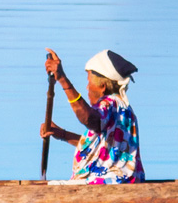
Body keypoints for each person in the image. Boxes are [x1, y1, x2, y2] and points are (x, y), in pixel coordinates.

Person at [41, 48, 144, 184]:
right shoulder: (124, 110)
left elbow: (88, 119)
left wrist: (63, 80)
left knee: (53, 188)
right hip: (124, 182)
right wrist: (62, 134)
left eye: (89, 82)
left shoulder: (108, 104)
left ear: (102, 86)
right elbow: (98, 149)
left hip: (108, 182)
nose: (87, 87)